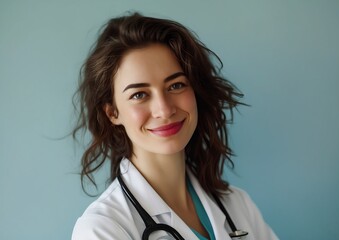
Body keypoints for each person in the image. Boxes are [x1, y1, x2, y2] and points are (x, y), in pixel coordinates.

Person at [71, 12, 278, 240]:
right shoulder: (103, 229)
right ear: (112, 112)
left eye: (176, 85)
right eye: (139, 94)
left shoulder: (237, 205)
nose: (164, 109)